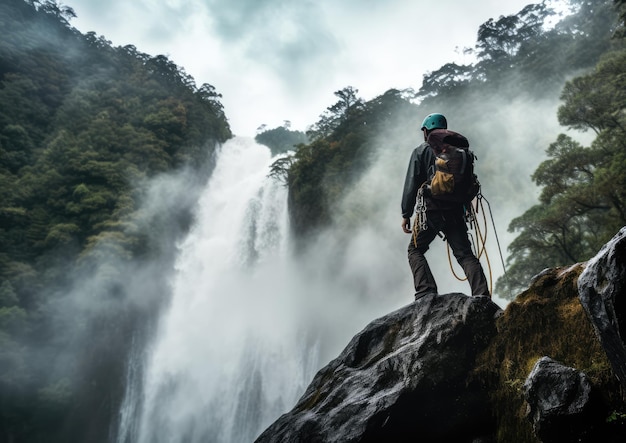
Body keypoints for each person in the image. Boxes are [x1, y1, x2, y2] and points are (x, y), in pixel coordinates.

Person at [401, 113, 490, 300]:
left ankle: (426, 292)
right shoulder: (458, 150)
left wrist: (406, 214)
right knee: (465, 254)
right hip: (457, 211)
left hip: (430, 210)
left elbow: (411, 183)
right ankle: (482, 295)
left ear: (426, 130)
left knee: (415, 250)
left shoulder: (421, 150)